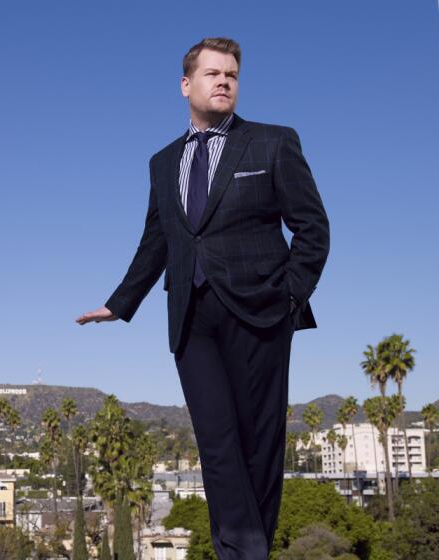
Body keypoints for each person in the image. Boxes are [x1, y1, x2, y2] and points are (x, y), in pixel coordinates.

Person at [76, 37, 329, 559]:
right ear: (186, 84)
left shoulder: (273, 142)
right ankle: (240, 550)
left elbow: (312, 228)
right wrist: (120, 302)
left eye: (232, 75)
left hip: (261, 310)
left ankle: (247, 549)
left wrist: (288, 298)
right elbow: (158, 239)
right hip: (190, 314)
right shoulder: (162, 161)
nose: (224, 81)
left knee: (258, 441)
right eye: (213, 73)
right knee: (216, 443)